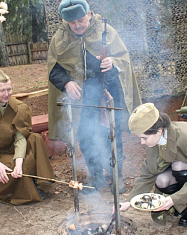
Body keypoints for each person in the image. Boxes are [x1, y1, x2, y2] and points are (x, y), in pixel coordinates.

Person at [47, 0, 141, 193]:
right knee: (86, 137)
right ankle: (97, 177)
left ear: (89, 14)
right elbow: (53, 69)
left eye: (80, 20)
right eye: (72, 23)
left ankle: (117, 177)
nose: (77, 26)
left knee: (112, 137)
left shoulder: (106, 31)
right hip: (82, 99)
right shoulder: (61, 38)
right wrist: (67, 82)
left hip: (108, 95)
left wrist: (112, 63)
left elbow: (124, 60)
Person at [0, 69, 55, 205]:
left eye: (9, 89)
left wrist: (19, 161)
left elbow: (20, 137)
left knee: (34, 138)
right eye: (2, 90)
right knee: (10, 168)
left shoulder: (18, 108)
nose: (7, 94)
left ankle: (42, 180)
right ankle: (25, 189)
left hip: (10, 149)